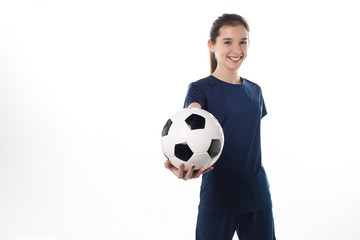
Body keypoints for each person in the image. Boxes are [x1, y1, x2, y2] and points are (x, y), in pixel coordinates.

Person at [164, 13, 276, 240]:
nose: (237, 49)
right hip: (218, 198)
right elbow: (193, 115)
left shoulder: (255, 91)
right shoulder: (199, 89)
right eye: (228, 42)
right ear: (211, 45)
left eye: (242, 41)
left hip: (257, 196)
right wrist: (185, 165)